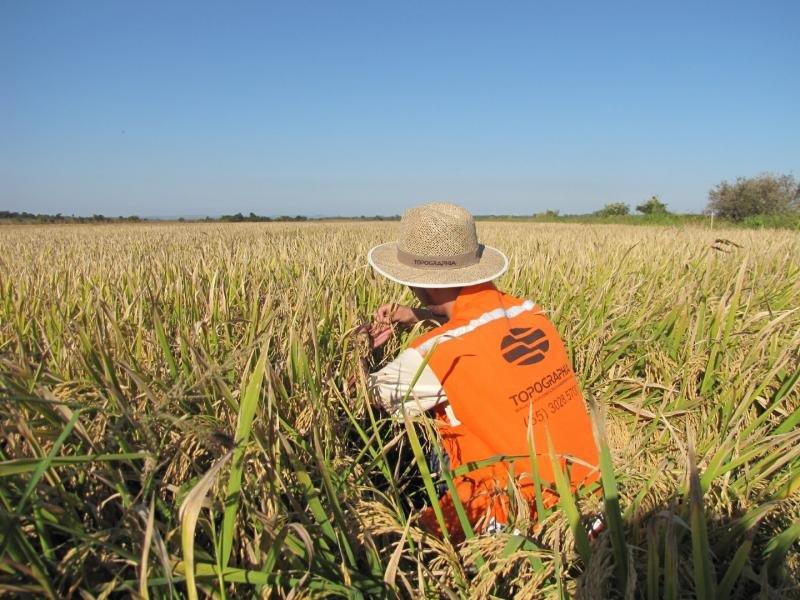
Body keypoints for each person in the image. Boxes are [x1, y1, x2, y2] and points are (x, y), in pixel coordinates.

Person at [365, 202, 600, 539]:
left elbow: (367, 396)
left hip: (517, 514)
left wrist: (365, 354)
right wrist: (418, 315)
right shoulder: (531, 313)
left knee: (404, 543)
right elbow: (475, 327)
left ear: (418, 281)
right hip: (586, 491)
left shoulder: (436, 353)